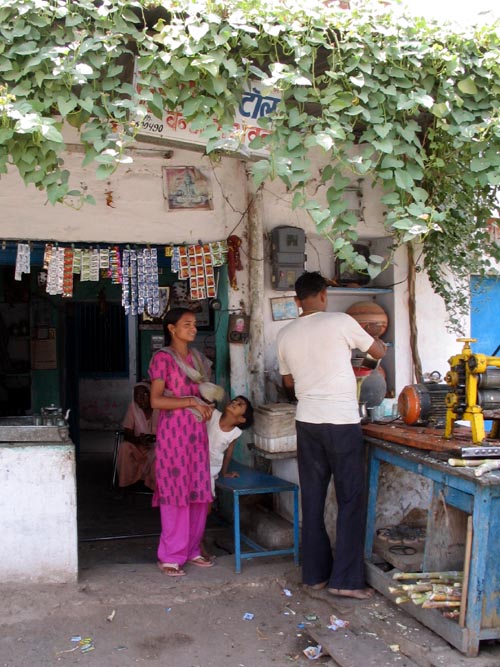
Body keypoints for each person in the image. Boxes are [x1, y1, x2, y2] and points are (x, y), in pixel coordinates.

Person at [276, 271, 386, 599]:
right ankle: (346, 581)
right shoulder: (341, 321)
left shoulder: (285, 333)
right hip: (340, 421)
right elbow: (378, 352)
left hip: (307, 421)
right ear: (324, 295)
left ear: (297, 301)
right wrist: (367, 342)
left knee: (312, 497)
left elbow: (288, 384)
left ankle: (314, 576)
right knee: (350, 499)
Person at [149, 307, 215, 577]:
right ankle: (170, 555)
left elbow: (204, 393)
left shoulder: (199, 360)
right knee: (176, 493)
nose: (193, 328)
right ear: (171, 329)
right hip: (173, 436)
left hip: (197, 435)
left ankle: (192, 549)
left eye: (195, 324)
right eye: (186, 324)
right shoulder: (162, 359)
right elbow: (156, 400)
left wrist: (207, 404)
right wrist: (190, 401)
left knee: (198, 492)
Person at [200, 396, 254, 561]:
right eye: (235, 401)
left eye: (240, 404)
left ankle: (198, 540)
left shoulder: (235, 433)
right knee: (195, 507)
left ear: (242, 418)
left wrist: (224, 472)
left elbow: (228, 453)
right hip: (196, 464)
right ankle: (197, 544)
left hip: (211, 469)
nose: (235, 403)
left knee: (206, 509)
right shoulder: (213, 414)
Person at [116, 382, 158, 490]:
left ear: (151, 395)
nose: (141, 398)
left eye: (145, 394)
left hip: (157, 448)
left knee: (161, 453)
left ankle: (153, 486)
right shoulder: (133, 408)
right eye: (137, 396)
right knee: (124, 447)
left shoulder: (160, 409)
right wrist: (138, 439)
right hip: (139, 448)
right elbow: (127, 432)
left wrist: (154, 438)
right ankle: (124, 486)